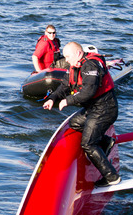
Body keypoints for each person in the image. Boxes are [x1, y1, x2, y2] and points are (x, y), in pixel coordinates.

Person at [43, 41, 120, 187]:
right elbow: (65, 86)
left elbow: (88, 92)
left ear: (78, 54)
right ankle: (106, 141)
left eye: (68, 56)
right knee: (75, 123)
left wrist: (68, 101)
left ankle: (112, 177)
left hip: (105, 109)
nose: (66, 60)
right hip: (93, 108)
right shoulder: (74, 66)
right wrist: (52, 98)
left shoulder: (90, 66)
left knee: (88, 144)